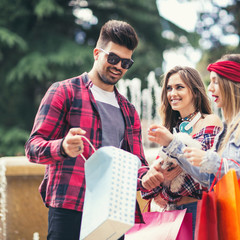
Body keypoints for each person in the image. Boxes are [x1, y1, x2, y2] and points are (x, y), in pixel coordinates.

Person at [25, 20, 149, 240]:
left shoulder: (129, 111)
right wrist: (62, 147)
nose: (119, 66)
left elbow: (136, 164)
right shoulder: (64, 91)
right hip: (70, 206)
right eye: (113, 58)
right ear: (96, 53)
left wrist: (152, 176)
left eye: (126, 63)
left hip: (113, 212)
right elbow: (33, 148)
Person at [147, 53, 240, 191]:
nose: (209, 88)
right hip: (230, 211)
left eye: (215, 82)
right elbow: (207, 179)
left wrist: (212, 161)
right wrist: (171, 143)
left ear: (232, 83)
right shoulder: (228, 127)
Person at [141, 66, 222, 235]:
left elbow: (201, 179)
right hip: (171, 215)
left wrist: (165, 185)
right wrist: (158, 178)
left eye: (179, 87)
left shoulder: (209, 122)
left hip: (196, 212)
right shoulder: (172, 130)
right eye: (169, 88)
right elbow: (153, 188)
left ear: (194, 91)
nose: (172, 93)